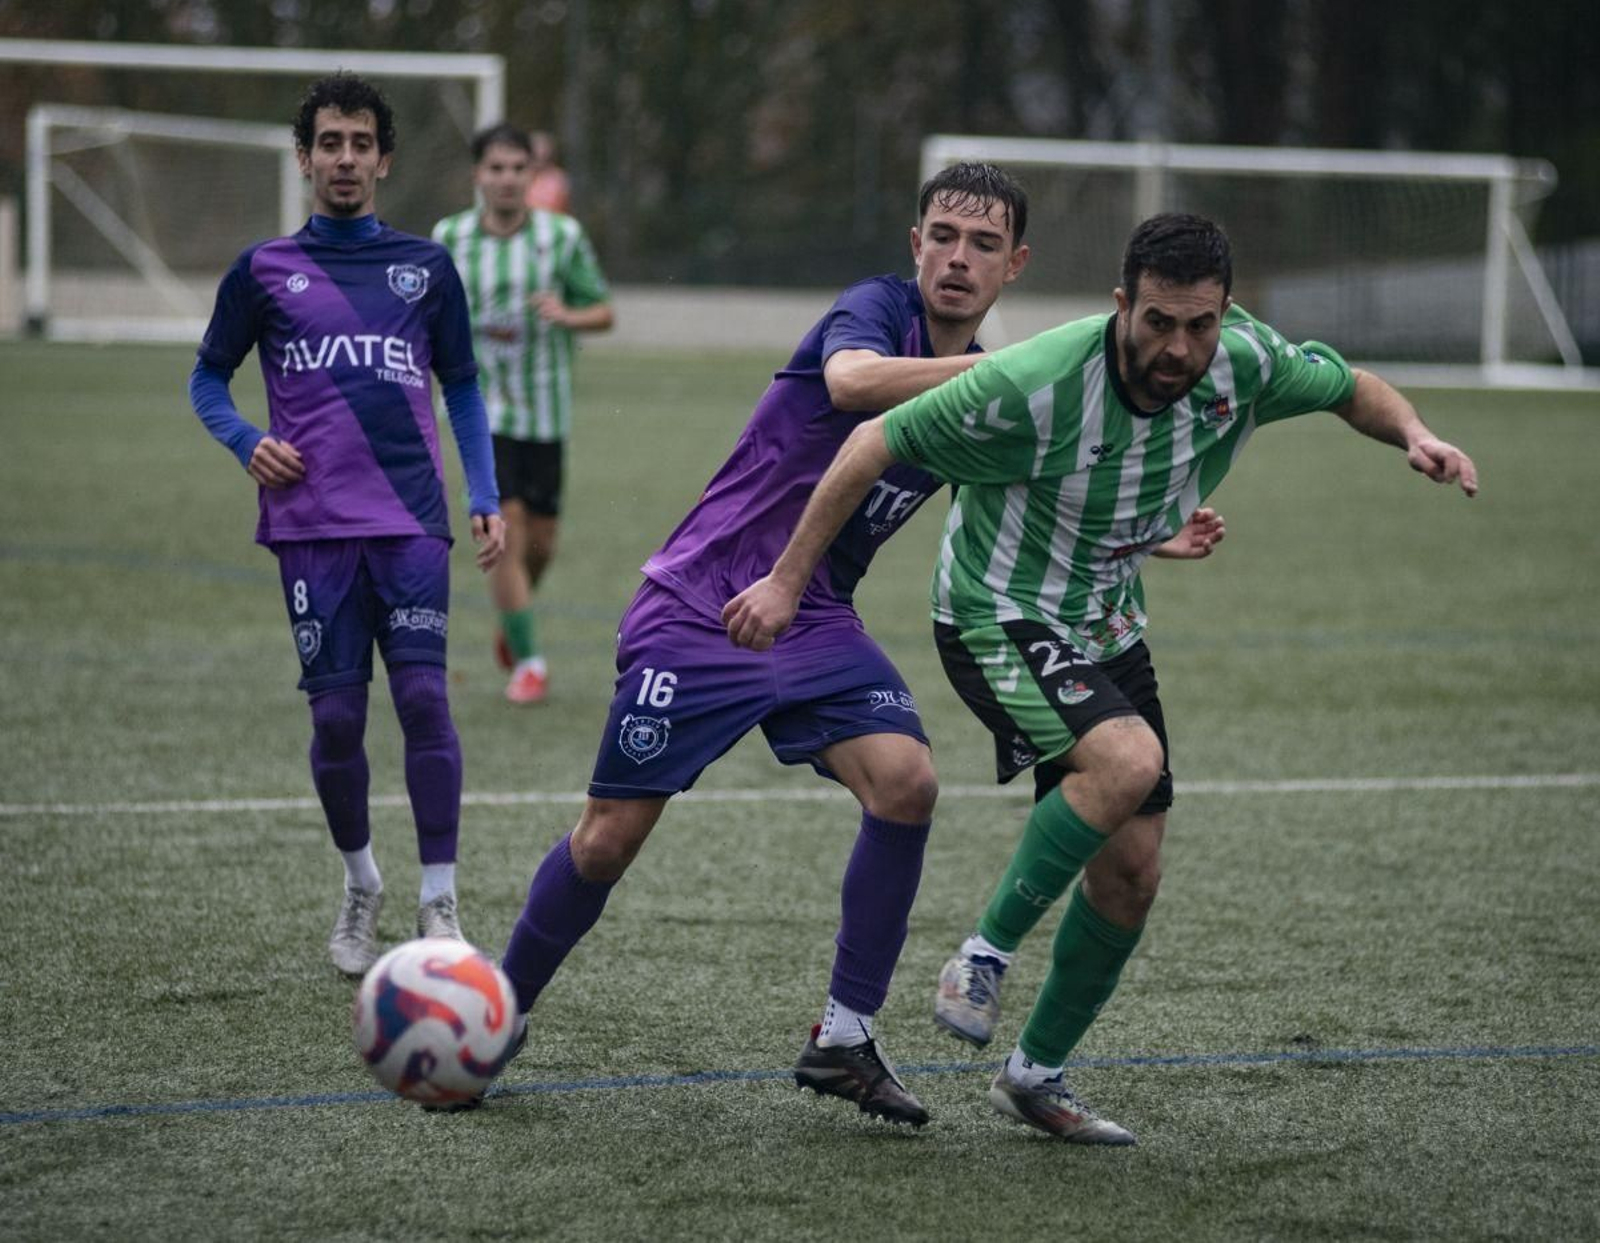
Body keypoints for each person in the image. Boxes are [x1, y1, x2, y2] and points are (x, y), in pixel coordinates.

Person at [723, 212, 1478, 1144]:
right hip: (997, 613)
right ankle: (981, 957)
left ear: (1225, 313)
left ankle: (1035, 1074)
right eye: (1158, 321)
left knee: (1132, 869)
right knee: (1125, 760)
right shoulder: (1035, 377)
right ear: (1122, 304)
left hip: (1107, 622)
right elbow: (869, 442)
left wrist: (1414, 431)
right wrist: (788, 581)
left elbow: (1349, 386)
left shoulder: (1245, 361)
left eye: (1199, 324)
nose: (1178, 347)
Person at [188, 72, 506, 977]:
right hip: (310, 527)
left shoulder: (425, 268)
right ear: (304, 158)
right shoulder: (263, 270)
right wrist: (246, 440)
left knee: (422, 699)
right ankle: (361, 882)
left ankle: (438, 898)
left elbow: (465, 384)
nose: (345, 159)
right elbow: (207, 377)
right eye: (329, 143)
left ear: (384, 159)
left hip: (410, 521)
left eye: (361, 144)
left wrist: (482, 490)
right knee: (336, 719)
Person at [433, 123, 614, 704]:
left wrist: (567, 313)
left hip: (545, 412)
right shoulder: (450, 237)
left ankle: (513, 624)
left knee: (541, 545)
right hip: (480, 412)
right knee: (504, 533)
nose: (507, 179)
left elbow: (604, 312)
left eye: (518, 169)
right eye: (496, 168)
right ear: (477, 176)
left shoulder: (561, 238)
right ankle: (530, 662)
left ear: (532, 177)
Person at [524, 130, 573, 214]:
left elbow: (565, 208)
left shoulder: (558, 179)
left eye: (543, 149)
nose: (540, 154)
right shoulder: (521, 177)